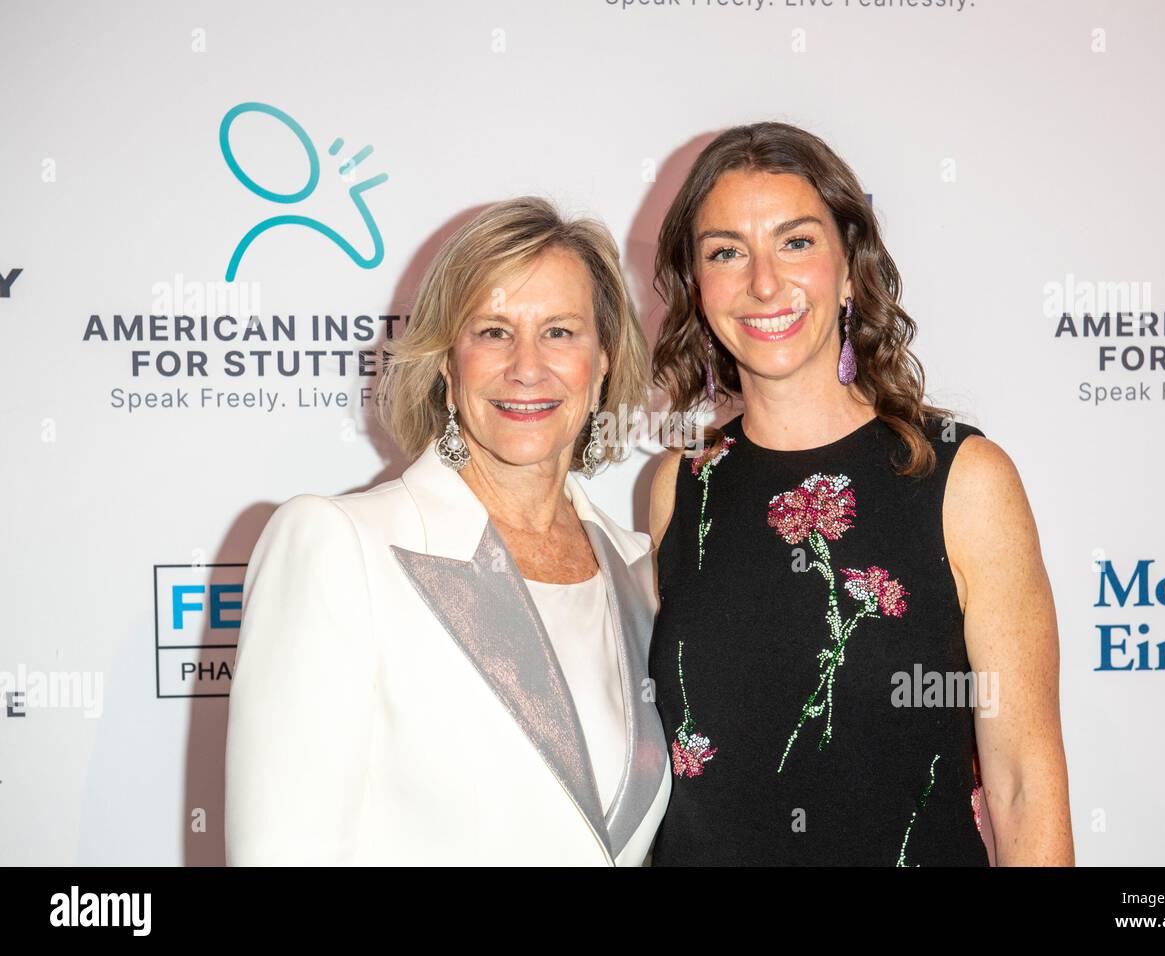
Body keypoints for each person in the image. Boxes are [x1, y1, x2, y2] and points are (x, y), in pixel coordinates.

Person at [645, 122, 1073, 865]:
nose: (764, 283)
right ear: (696, 284)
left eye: (797, 242)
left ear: (849, 271)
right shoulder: (682, 487)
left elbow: (1023, 785)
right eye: (726, 253)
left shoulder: (961, 480)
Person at [225, 196, 670, 865]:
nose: (526, 366)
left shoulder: (642, 572)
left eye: (559, 332)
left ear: (603, 359)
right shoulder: (340, 547)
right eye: (493, 331)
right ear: (445, 362)